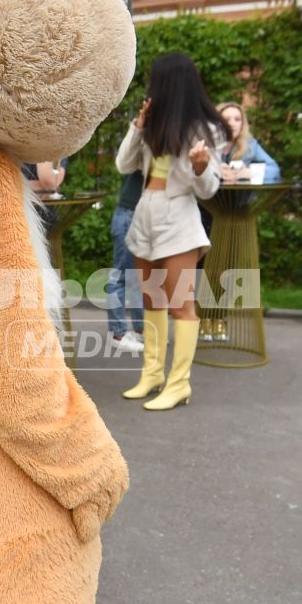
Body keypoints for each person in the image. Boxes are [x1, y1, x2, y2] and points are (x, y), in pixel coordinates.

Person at [114, 53, 226, 411]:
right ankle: (152, 375)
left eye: (156, 81)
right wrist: (138, 126)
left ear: (171, 84)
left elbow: (209, 190)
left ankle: (179, 383)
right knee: (152, 301)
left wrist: (201, 166)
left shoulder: (205, 130)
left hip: (178, 217)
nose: (152, 88)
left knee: (181, 305)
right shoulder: (153, 122)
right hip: (145, 211)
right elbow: (122, 165)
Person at [106, 159, 145, 354]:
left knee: (141, 277)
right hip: (129, 214)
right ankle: (118, 334)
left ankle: (141, 329)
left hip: (145, 214)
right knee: (121, 276)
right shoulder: (144, 137)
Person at [216, 101, 282, 184]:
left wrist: (246, 173)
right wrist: (214, 171)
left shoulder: (250, 144)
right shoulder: (207, 144)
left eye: (237, 119)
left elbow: (274, 170)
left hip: (241, 196)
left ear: (242, 124)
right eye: (226, 120)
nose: (232, 124)